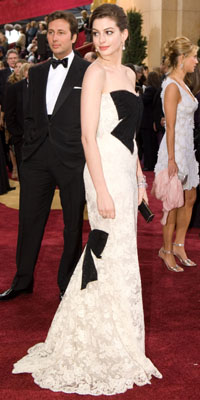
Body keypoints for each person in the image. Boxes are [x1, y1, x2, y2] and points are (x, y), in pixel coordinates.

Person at [12, 4, 162, 395]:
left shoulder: (129, 74)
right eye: (96, 34)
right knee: (104, 249)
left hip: (124, 172)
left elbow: (128, 135)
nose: (101, 41)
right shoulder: (93, 73)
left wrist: (138, 178)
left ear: (124, 34)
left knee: (122, 254)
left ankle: (121, 336)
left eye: (109, 33)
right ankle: (91, 335)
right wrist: (103, 188)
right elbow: (87, 137)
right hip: (101, 175)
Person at [0, 11, 89, 301]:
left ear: (74, 36)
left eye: (61, 32)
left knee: (72, 223)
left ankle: (67, 284)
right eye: (51, 32)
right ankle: (22, 279)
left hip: (73, 157)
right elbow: (29, 115)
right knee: (28, 220)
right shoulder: (36, 72)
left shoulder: (87, 72)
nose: (54, 38)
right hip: (37, 158)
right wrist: (27, 152)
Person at [154, 36, 199, 271]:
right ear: (182, 58)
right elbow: (169, 125)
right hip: (174, 152)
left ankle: (179, 244)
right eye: (193, 56)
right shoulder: (171, 85)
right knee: (172, 203)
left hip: (187, 149)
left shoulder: (183, 84)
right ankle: (166, 249)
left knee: (189, 198)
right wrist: (171, 159)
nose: (196, 61)